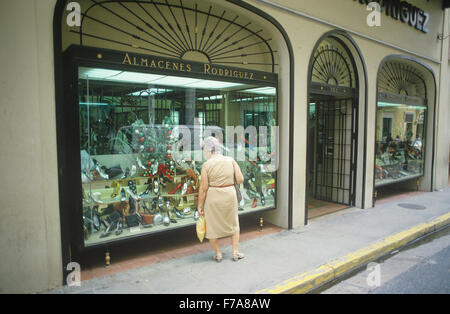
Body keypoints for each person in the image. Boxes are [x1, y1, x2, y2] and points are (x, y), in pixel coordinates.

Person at [197, 136, 245, 262]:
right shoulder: (230, 160)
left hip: (214, 196)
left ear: (209, 150)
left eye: (204, 150)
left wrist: (199, 205)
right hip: (230, 194)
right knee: (234, 223)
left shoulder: (206, 165)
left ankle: (218, 253)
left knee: (212, 226)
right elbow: (240, 179)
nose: (204, 153)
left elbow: (204, 187)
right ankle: (235, 252)